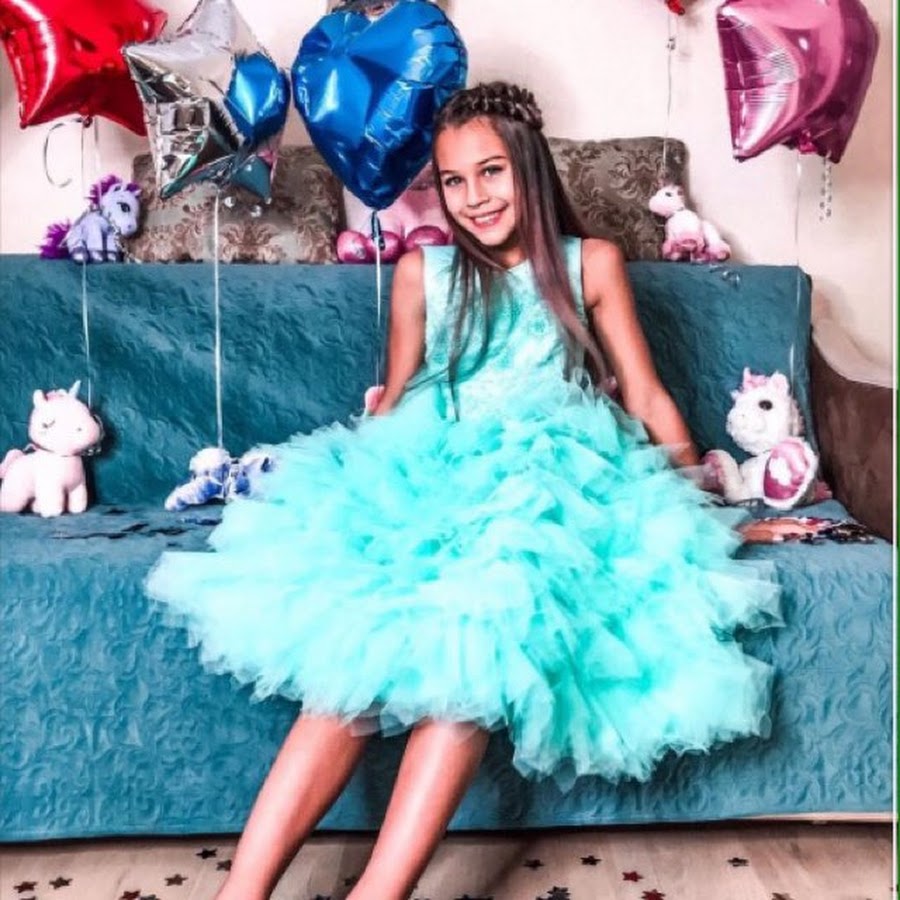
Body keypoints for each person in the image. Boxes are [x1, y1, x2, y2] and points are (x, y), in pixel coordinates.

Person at [146, 81, 781, 900]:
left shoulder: (591, 264)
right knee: (351, 664)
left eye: (491, 172)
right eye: (453, 180)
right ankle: (240, 893)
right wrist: (357, 490)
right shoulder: (425, 272)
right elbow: (395, 398)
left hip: (545, 485)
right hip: (431, 474)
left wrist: (704, 506)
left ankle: (378, 894)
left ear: (530, 169)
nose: (474, 197)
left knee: (474, 659)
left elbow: (647, 395)